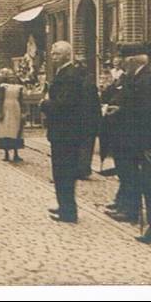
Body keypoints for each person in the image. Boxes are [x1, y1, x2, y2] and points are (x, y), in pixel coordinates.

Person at [115, 43, 151, 244]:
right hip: (144, 144)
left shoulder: (149, 80)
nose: (121, 63)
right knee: (148, 187)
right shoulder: (138, 78)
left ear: (131, 61)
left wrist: (148, 146)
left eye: (123, 59)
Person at [40, 41, 98, 223]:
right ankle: (64, 206)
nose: (52, 56)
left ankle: (68, 211)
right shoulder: (64, 73)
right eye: (52, 53)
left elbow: (64, 104)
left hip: (66, 133)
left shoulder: (70, 76)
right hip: (62, 133)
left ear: (66, 55)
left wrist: (45, 104)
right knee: (60, 171)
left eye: (56, 54)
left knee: (64, 171)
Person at [0, 68, 26, 163]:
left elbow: (21, 100)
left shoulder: (19, 88)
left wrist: (23, 112)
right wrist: (0, 111)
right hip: (6, 108)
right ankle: (6, 153)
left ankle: (16, 153)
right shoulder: (3, 87)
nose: (12, 79)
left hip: (16, 108)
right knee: (5, 129)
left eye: (13, 77)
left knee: (16, 129)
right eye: (9, 77)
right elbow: (0, 99)